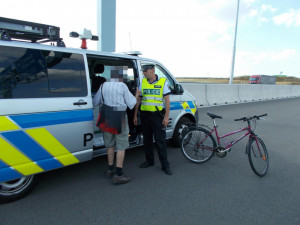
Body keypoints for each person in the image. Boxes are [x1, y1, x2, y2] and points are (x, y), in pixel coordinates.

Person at [93, 65, 140, 184]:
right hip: (119, 116)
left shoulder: (103, 85)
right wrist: (137, 95)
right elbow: (131, 103)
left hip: (106, 116)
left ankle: (110, 170)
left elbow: (95, 102)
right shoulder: (122, 86)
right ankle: (119, 174)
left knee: (110, 145)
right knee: (121, 145)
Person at [133, 63, 172, 175]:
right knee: (147, 140)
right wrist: (135, 115)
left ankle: (165, 165)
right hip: (145, 115)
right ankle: (149, 161)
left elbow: (167, 101)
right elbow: (139, 100)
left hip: (157, 116)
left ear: (153, 70)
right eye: (143, 71)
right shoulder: (143, 82)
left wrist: (166, 117)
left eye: (146, 71)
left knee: (160, 141)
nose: (144, 73)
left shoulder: (162, 82)